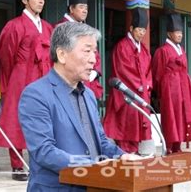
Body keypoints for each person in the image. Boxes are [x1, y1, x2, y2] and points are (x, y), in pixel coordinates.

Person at [19, 22, 138, 191]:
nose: (93, 59)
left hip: (93, 186)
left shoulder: (88, 95)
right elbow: (44, 151)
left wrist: (122, 156)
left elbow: (101, 142)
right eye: (87, 51)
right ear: (61, 55)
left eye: (95, 52)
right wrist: (92, 166)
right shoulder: (36, 94)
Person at [0, 0, 53, 181]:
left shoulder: (47, 28)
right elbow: (6, 56)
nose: (40, 1)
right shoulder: (14, 26)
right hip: (21, 78)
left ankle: (38, 161)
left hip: (43, 78)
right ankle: (17, 165)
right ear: (24, 1)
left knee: (43, 120)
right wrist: (14, 79)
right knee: (18, 119)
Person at [103, 8, 153, 154]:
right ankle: (124, 151)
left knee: (138, 122)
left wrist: (147, 84)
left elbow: (149, 69)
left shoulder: (143, 49)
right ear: (131, 28)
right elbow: (122, 70)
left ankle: (134, 150)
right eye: (139, 30)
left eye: (144, 30)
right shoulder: (122, 46)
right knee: (126, 122)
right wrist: (138, 85)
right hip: (127, 92)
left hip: (141, 91)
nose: (142, 33)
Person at [151, 13, 191, 154]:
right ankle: (169, 145)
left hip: (183, 87)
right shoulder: (162, 51)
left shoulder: (182, 50)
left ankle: (178, 144)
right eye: (176, 32)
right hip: (170, 88)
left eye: (180, 32)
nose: (180, 35)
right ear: (169, 34)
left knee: (182, 114)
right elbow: (158, 73)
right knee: (171, 115)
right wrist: (160, 91)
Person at [55, 0, 104, 100]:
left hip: (88, 82)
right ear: (71, 8)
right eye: (81, 7)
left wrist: (95, 72)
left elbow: (95, 55)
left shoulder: (87, 29)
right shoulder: (60, 28)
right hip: (68, 81)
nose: (85, 10)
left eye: (86, 8)